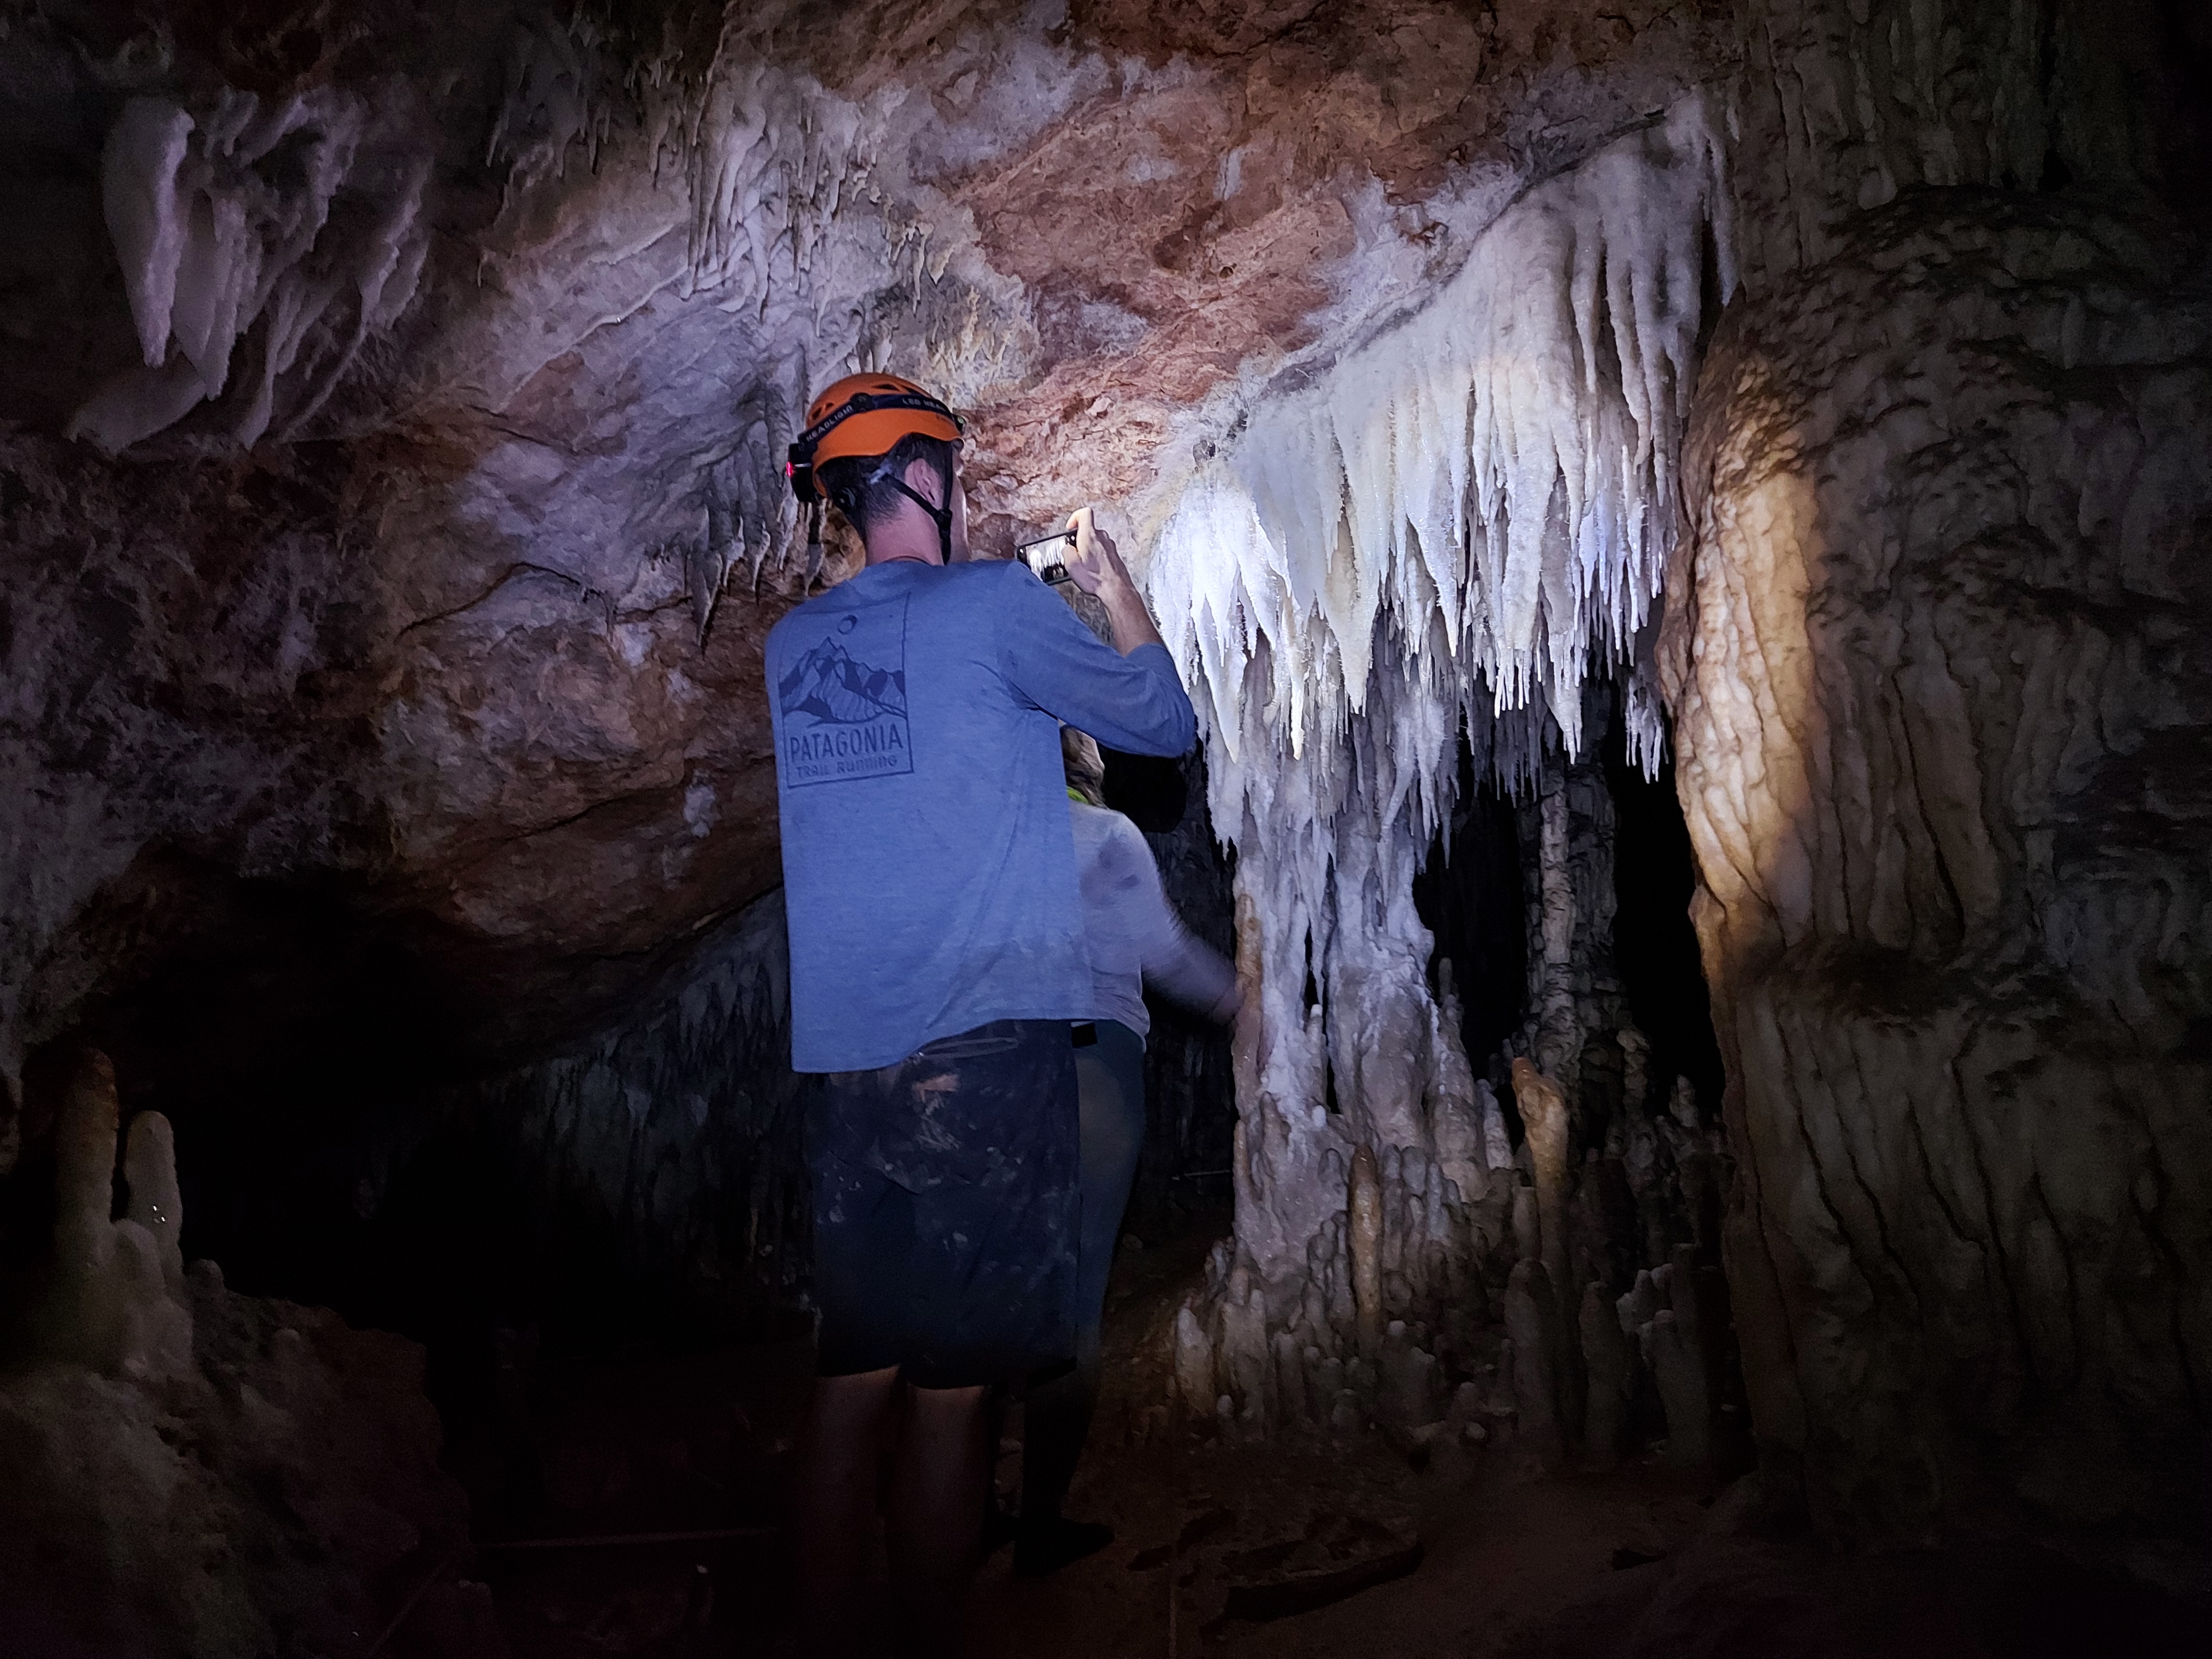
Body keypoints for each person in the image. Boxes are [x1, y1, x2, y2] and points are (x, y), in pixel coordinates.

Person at [764, 372, 1194, 1655]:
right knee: (953, 1401)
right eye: (955, 466)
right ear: (923, 477)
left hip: (852, 1077)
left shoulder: (796, 649)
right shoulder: (996, 606)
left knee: (850, 1389)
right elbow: (1160, 722)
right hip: (988, 1058)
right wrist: (1110, 583)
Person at [1013, 728, 1239, 1578]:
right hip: (1092, 1066)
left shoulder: (994, 833)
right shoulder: (1107, 837)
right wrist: (1250, 1005)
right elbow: (1169, 956)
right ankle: (1039, 1523)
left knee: (989, 1285)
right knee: (1072, 1305)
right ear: (1083, 760)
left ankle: (958, 1508)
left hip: (998, 1071)